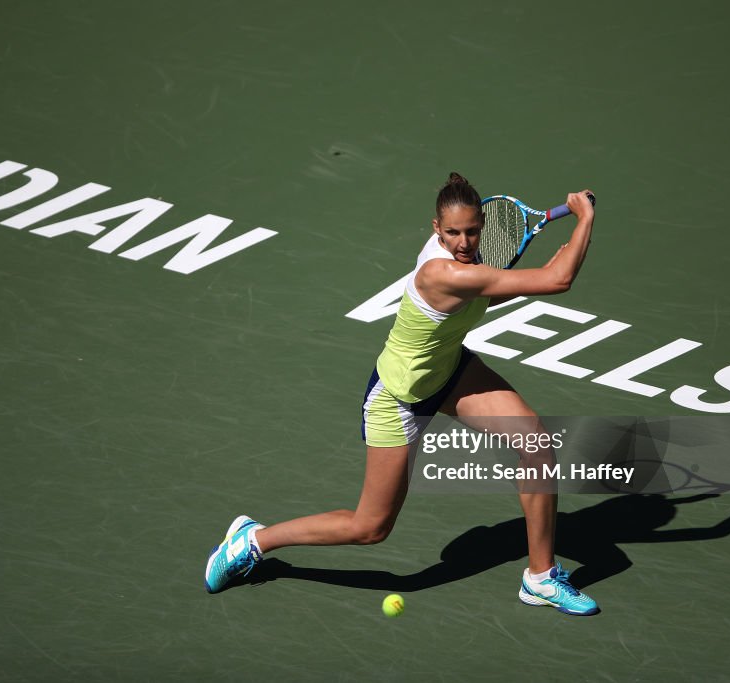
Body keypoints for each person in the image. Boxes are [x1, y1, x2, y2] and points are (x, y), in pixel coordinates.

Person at [205, 173, 600, 616]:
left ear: (482, 224)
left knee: (535, 445)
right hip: (399, 398)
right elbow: (557, 282)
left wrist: (541, 272)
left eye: (472, 230)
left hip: (450, 371)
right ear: (436, 228)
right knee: (370, 528)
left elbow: (489, 295)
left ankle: (541, 577)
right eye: (452, 232)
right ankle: (254, 540)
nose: (464, 241)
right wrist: (582, 220)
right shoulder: (441, 271)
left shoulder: (469, 262)